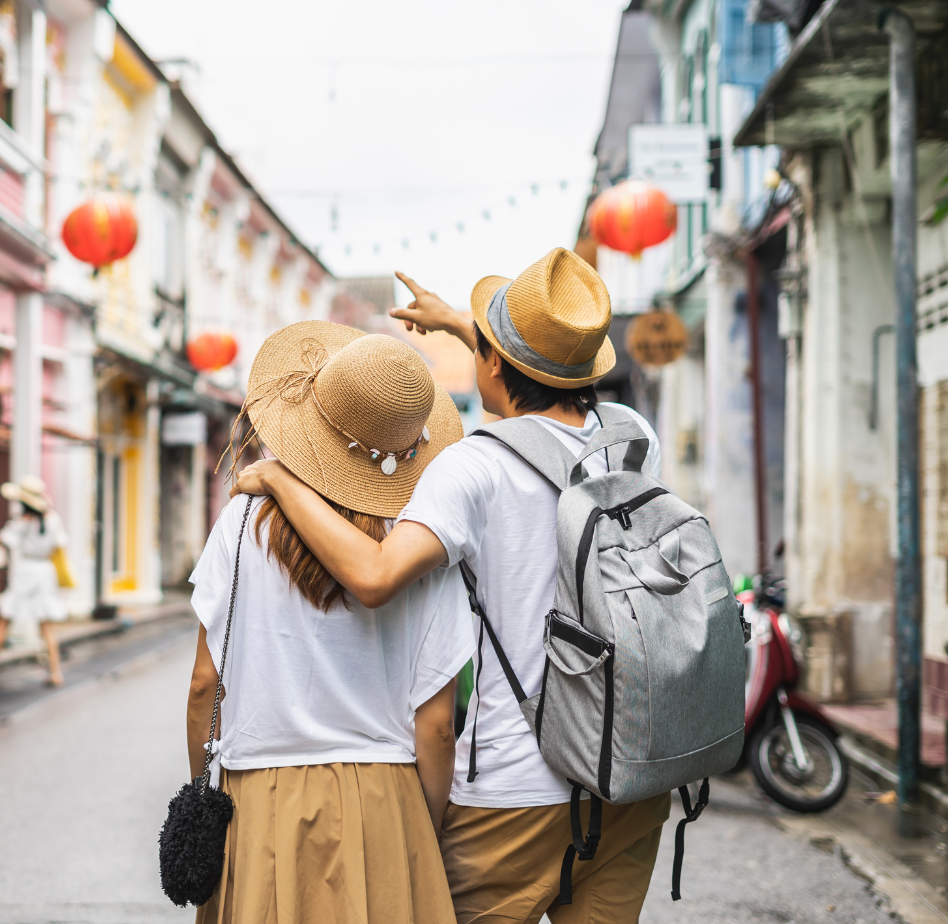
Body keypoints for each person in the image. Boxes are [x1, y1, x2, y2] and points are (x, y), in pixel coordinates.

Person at [233, 248, 671, 924]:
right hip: (628, 775)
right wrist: (471, 331)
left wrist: (282, 480)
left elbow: (376, 577)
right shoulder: (633, 440)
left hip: (515, 789)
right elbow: (543, 388)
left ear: (492, 362)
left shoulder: (472, 468)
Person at [188, 321, 477, 924]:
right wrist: (418, 825)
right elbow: (438, 723)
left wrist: (203, 787)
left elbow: (202, 684)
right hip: (385, 800)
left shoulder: (242, 524)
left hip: (259, 796)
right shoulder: (419, 545)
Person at [0, 475, 69, 687]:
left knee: (3, 621)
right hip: (45, 571)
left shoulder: (23, 522)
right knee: (46, 626)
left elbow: (2, 539)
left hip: (26, 573)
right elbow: (60, 544)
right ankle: (55, 672)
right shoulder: (53, 519)